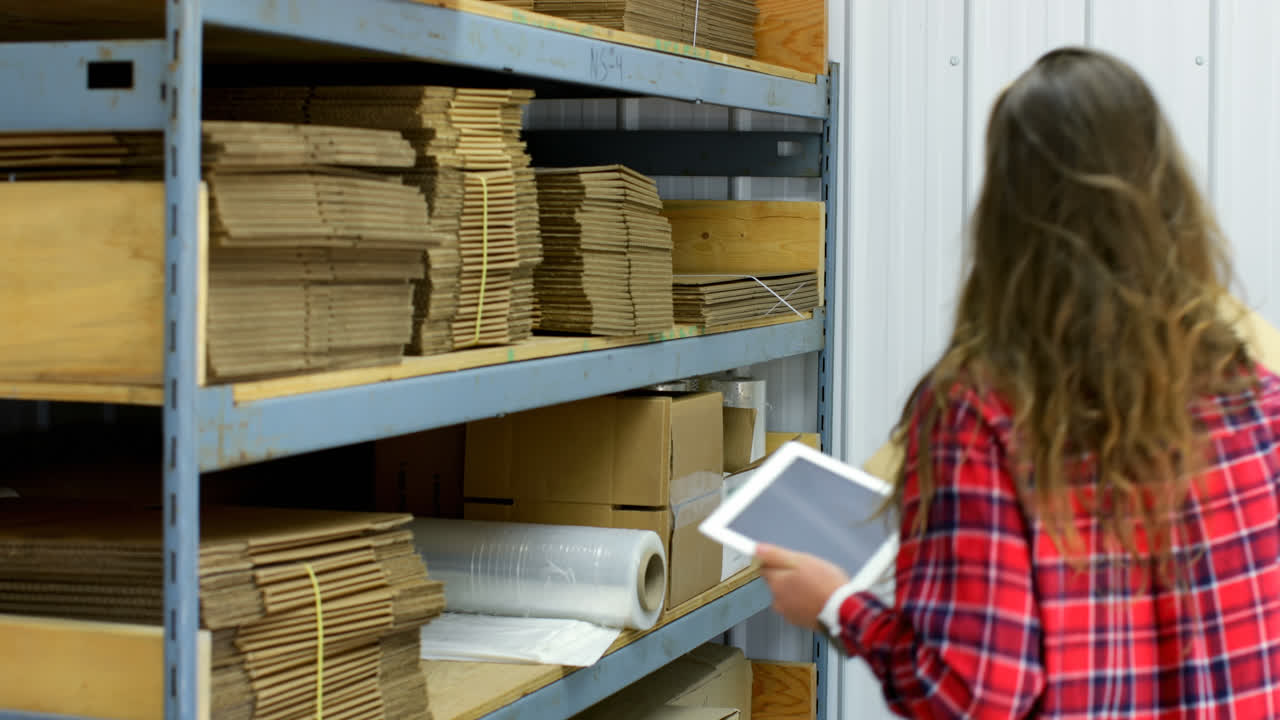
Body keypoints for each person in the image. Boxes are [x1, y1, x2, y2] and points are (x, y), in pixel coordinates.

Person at [757, 47, 1280, 718]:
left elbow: (974, 695)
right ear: (1163, 188)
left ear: (1007, 210)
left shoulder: (981, 413)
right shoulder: (1251, 392)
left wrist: (835, 604)